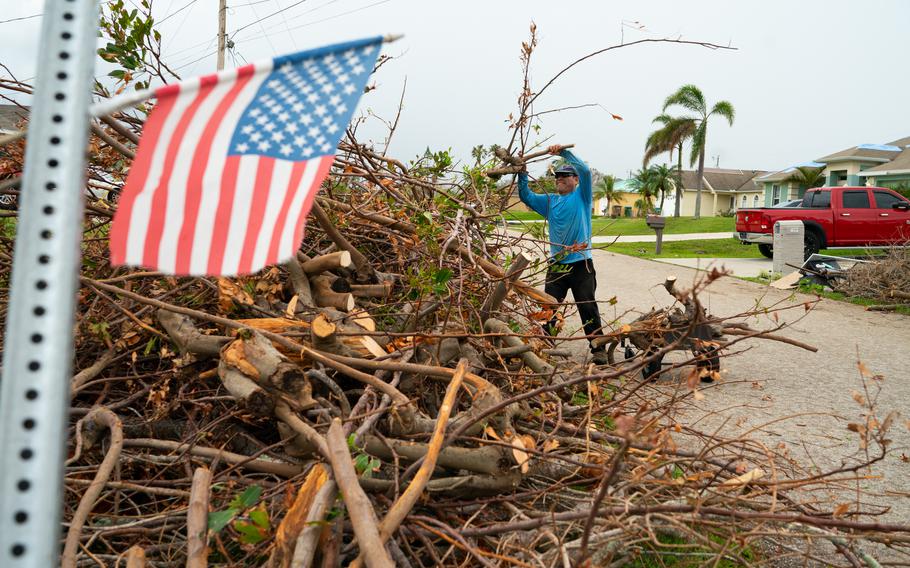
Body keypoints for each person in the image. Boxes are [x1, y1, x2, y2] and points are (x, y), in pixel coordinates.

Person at [518, 145, 608, 365]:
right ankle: (545, 346)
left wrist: (563, 154)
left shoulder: (582, 197)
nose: (559, 179)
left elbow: (586, 171)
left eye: (565, 175)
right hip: (557, 265)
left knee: (587, 306)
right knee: (549, 307)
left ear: (575, 180)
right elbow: (526, 195)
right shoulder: (550, 202)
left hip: (581, 264)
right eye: (557, 176)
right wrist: (521, 171)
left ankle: (598, 349)